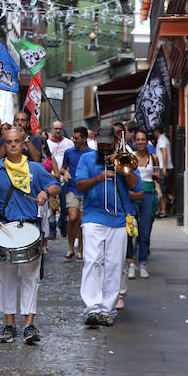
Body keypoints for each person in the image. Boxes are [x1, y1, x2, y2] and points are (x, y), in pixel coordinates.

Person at [0, 127, 60, 345]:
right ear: (4, 145)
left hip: (31, 228)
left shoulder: (35, 168)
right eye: (8, 142)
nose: (13, 145)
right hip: (6, 229)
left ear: (24, 144)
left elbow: (56, 184)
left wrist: (45, 192)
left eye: (17, 141)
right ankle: (9, 324)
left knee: (32, 279)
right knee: (6, 280)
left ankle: (29, 324)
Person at [76, 125, 143, 327]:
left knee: (114, 264)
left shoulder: (124, 158)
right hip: (93, 217)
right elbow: (79, 186)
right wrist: (98, 178)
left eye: (108, 142)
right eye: (101, 142)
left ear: (115, 141)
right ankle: (92, 308)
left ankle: (107, 309)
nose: (104, 146)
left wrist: (121, 167)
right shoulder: (87, 159)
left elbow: (136, 187)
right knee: (92, 260)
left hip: (118, 218)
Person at [127, 130, 160, 280]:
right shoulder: (130, 157)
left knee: (145, 232)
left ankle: (143, 263)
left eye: (143, 139)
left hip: (148, 195)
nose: (141, 142)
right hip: (133, 195)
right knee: (132, 231)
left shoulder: (153, 157)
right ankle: (132, 263)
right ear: (134, 142)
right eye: (138, 140)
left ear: (147, 141)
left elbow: (159, 176)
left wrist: (157, 177)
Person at [61, 126, 90, 261]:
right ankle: (70, 247)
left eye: (76, 138)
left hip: (86, 191)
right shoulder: (69, 152)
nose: (74, 140)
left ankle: (80, 250)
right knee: (72, 218)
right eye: (73, 137)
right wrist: (65, 173)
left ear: (85, 139)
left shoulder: (92, 154)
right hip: (72, 189)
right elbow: (63, 168)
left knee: (81, 221)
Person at [153, 127, 173, 217]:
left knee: (162, 189)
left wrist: (164, 167)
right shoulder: (165, 139)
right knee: (163, 188)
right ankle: (165, 206)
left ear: (156, 131)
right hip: (165, 166)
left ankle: (163, 210)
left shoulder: (161, 140)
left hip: (163, 167)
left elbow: (164, 152)